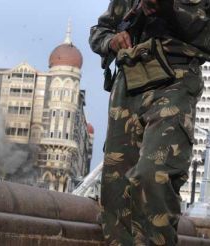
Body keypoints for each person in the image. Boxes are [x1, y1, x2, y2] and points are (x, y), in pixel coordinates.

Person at [90, 0, 210, 245]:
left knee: (154, 174)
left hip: (175, 78)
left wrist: (169, 8)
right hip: (129, 82)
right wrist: (111, 42)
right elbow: (99, 31)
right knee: (116, 189)